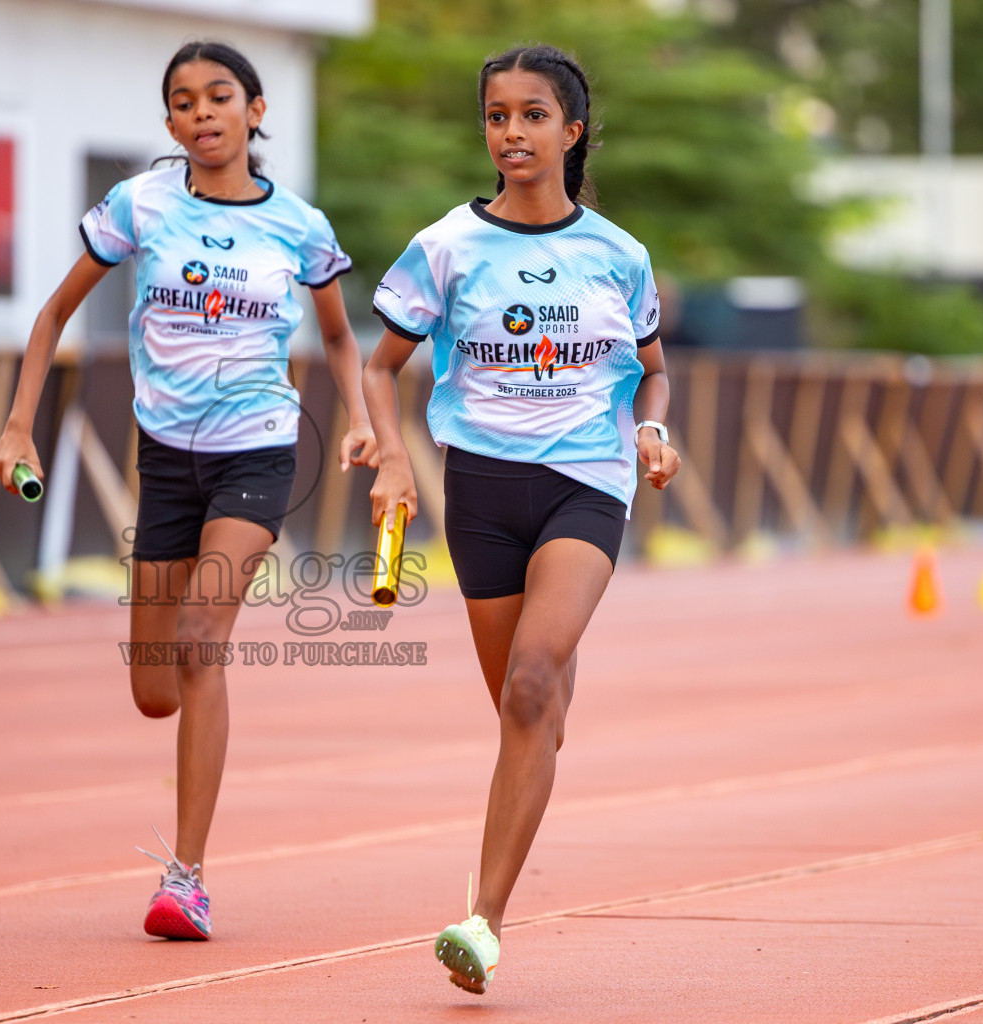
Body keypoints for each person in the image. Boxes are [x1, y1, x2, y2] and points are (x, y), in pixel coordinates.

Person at [0, 40, 376, 942]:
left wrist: (361, 417)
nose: (202, 112)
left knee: (204, 640)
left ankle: (187, 878)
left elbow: (338, 336)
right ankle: (185, 742)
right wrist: (16, 426)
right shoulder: (141, 205)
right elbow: (53, 313)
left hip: (257, 452)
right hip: (166, 458)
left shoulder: (300, 226)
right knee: (155, 690)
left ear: (255, 110)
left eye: (219, 95)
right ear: (169, 122)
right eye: (183, 101)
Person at [361, 44, 680, 993]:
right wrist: (393, 460)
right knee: (525, 709)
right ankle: (542, 715)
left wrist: (652, 429)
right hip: (482, 491)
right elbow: (379, 367)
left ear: (570, 131)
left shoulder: (618, 254)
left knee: (533, 685)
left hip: (586, 480)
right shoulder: (446, 246)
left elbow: (654, 369)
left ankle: (484, 921)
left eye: (533, 116)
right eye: (497, 117)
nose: (513, 133)